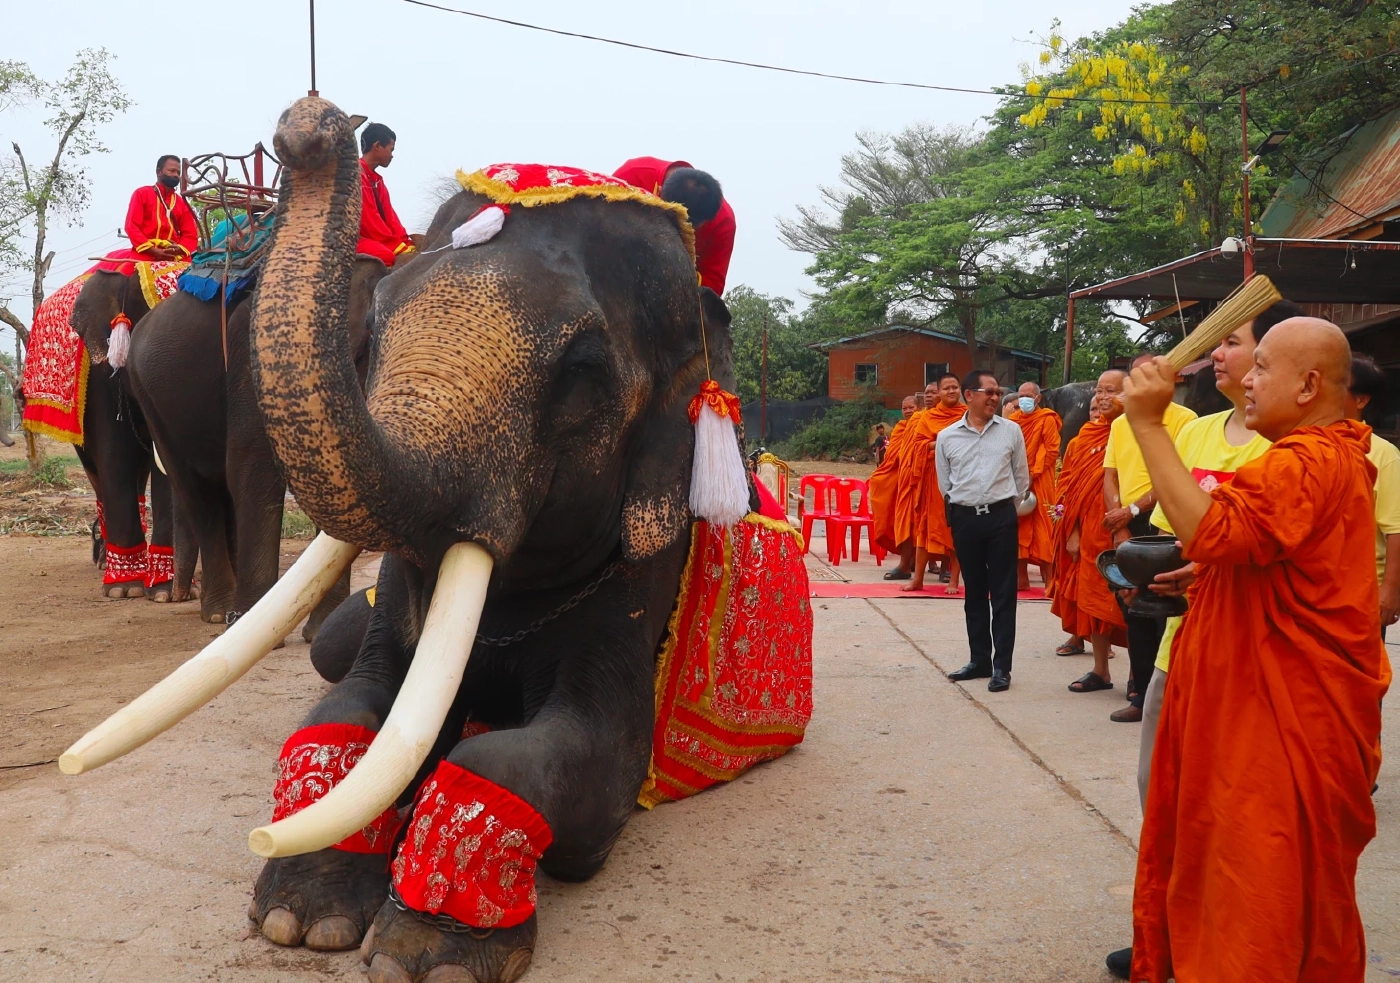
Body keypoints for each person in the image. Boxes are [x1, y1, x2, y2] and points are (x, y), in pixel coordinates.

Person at [1121, 318, 1388, 982]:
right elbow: (1265, 553)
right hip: (1257, 708)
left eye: (1261, 366)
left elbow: (1214, 530)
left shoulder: (1311, 458)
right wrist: (1216, 573)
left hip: (1280, 723)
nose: (1246, 378)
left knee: (1257, 884)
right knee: (1243, 875)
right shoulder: (1318, 456)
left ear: (1308, 384)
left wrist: (1149, 425)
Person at [1103, 299, 1303, 979]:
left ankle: (1220, 941)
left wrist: (1144, 420)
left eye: (1238, 343)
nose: (1219, 355)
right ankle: (1166, 926)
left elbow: (1230, 539)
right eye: (1214, 345)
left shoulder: (1296, 450)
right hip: (1180, 650)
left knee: (1238, 819)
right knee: (1163, 800)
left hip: (1255, 663)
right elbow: (1176, 527)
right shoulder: (1190, 434)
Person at [1102, 353, 1198, 722]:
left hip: (1163, 524)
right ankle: (1140, 695)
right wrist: (1118, 521)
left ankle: (1168, 696)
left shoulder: (1186, 421)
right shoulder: (1121, 422)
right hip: (1124, 525)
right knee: (1135, 610)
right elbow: (1109, 474)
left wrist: (1133, 512)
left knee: (1168, 612)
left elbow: (1171, 476)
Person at [937, 370, 1029, 692]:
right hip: (965, 520)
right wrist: (965, 508)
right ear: (969, 395)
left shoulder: (1011, 431)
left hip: (1001, 518)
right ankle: (979, 661)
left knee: (1003, 593)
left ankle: (1002, 666)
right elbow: (945, 483)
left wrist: (1000, 507)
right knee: (974, 591)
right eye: (987, 392)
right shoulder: (947, 437)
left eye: (997, 392)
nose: (994, 398)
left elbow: (1022, 478)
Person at [1053, 371, 1127, 693]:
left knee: (1131, 603)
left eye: (1111, 391)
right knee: (1094, 601)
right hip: (1089, 533)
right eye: (1099, 391)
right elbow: (1070, 488)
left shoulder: (1135, 433)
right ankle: (1101, 670)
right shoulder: (1084, 437)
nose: (1101, 397)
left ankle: (1139, 675)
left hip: (1128, 528)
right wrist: (1072, 532)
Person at [613, 157, 735, 294]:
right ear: (659, 193)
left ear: (708, 220)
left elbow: (712, 287)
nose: (681, 232)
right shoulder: (631, 178)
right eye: (675, 221)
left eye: (690, 227)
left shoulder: (723, 222)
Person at [1347, 354, 1400, 636]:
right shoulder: (1300, 444)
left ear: (1361, 400)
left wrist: (1389, 591)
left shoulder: (1382, 454)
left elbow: (1397, 529)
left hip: (1361, 597)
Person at [902, 375, 966, 594]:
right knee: (924, 531)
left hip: (960, 480)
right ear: (938, 392)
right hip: (933, 480)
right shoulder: (929, 417)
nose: (951, 391)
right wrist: (941, 443)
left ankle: (954, 581)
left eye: (955, 387)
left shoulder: (967, 416)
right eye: (946, 388)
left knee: (957, 530)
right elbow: (918, 447)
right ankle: (917, 579)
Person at [1008, 382, 1060, 589]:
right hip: (1016, 480)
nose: (1024, 399)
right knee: (1017, 527)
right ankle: (1021, 578)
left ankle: (1049, 578)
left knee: (1044, 528)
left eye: (1029, 395)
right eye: (1021, 395)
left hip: (1041, 480)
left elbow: (1051, 449)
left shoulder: (1047, 419)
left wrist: (1033, 473)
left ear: (1038, 399)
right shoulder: (1012, 422)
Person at [104, 155, 199, 266]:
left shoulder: (181, 203)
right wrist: (153, 251)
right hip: (145, 254)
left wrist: (179, 248)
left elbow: (190, 234)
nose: (176, 175)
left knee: (193, 279)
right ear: (159, 172)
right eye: (172, 171)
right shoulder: (142, 194)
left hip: (175, 257)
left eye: (178, 173)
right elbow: (132, 226)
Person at [357, 122, 417, 267]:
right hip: (353, 238)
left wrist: (407, 244)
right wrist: (398, 248)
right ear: (377, 146)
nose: (392, 155)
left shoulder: (378, 181)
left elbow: (390, 218)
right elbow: (369, 221)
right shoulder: (357, 174)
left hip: (374, 237)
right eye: (391, 149)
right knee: (386, 256)